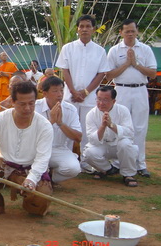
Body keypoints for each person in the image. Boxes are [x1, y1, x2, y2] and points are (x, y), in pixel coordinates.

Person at [0, 81, 53, 218]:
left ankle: (32, 205)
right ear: (13, 102)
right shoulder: (0, 118)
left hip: (30, 169)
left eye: (31, 103)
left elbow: (42, 159)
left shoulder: (44, 125)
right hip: (5, 166)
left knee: (40, 200)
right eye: (22, 104)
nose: (27, 108)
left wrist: (31, 179)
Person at [55, 15, 110, 173]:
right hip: (69, 96)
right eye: (82, 26)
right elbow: (64, 70)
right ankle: (64, 161)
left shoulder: (99, 51)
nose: (84, 29)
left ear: (93, 29)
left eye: (88, 26)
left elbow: (101, 74)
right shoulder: (68, 48)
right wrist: (73, 91)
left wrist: (85, 92)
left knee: (87, 131)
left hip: (90, 97)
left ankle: (86, 162)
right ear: (77, 29)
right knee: (65, 128)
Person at [106, 19, 157, 178]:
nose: (130, 34)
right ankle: (117, 163)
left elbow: (152, 73)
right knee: (118, 126)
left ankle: (140, 164)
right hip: (121, 90)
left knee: (140, 128)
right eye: (126, 31)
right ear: (121, 32)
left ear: (137, 32)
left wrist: (135, 64)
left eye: (132, 31)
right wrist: (127, 63)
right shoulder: (114, 50)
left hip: (140, 90)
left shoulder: (145, 49)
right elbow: (109, 75)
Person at [83, 86, 139, 187]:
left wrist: (111, 125)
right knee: (89, 152)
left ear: (113, 101)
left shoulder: (123, 110)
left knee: (126, 144)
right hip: (102, 144)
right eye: (99, 99)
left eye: (105, 100)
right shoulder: (91, 114)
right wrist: (103, 126)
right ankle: (108, 169)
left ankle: (128, 174)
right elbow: (92, 140)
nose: (101, 103)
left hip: (118, 144)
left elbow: (130, 133)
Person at [35, 77, 82, 184]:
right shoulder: (35, 107)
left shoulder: (70, 109)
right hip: (37, 148)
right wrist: (51, 121)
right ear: (45, 93)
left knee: (74, 169)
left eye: (61, 90)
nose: (60, 94)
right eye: (55, 91)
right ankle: (41, 176)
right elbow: (30, 134)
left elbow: (78, 138)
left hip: (59, 149)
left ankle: (50, 178)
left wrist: (60, 123)